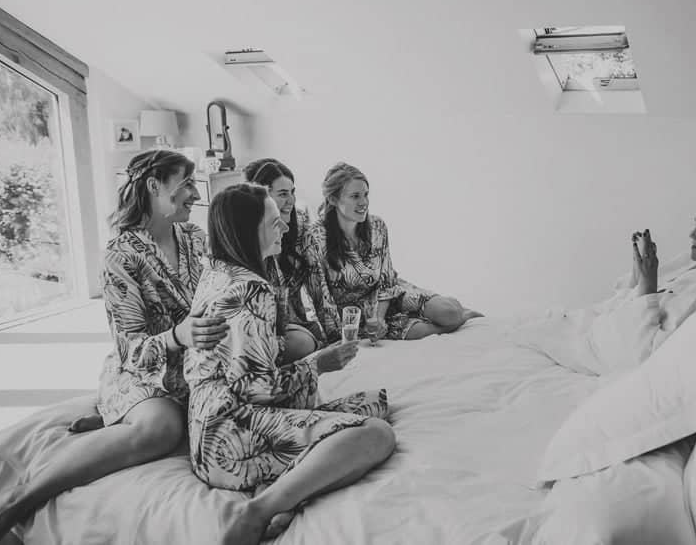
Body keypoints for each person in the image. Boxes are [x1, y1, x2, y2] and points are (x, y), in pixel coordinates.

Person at [0, 150, 229, 542]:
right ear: (154, 186)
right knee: (161, 429)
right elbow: (130, 349)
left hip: (196, 366)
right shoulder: (121, 255)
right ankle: (19, 500)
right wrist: (178, 336)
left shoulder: (193, 237)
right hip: (141, 371)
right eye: (186, 184)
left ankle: (111, 419)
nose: (195, 193)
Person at [185, 184, 394, 545]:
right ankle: (261, 510)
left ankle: (281, 487)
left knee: (376, 403)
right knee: (377, 434)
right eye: (273, 221)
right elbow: (256, 389)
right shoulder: (251, 289)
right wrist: (318, 364)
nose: (284, 225)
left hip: (205, 428)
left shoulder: (216, 273)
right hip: (230, 436)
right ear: (247, 230)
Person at [522, 190, 696, 375]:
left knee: (520, 335)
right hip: (589, 324)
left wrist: (647, 282)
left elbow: (645, 353)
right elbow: (631, 298)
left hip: (593, 346)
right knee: (523, 329)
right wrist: (639, 270)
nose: (691, 234)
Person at [308, 162, 483, 343]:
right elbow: (322, 297)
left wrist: (379, 317)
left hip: (389, 296)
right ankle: (443, 321)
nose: (364, 202)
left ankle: (461, 313)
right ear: (333, 199)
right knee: (421, 332)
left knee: (449, 313)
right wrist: (346, 332)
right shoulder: (315, 237)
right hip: (356, 315)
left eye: (366, 194)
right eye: (355, 196)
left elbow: (387, 281)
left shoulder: (377, 226)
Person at [243, 158, 324, 362]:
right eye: (283, 194)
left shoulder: (301, 225)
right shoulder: (246, 238)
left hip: (295, 322)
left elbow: (319, 289)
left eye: (292, 192)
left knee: (318, 336)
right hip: (261, 331)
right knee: (305, 343)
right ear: (261, 197)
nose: (291, 201)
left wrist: (337, 337)